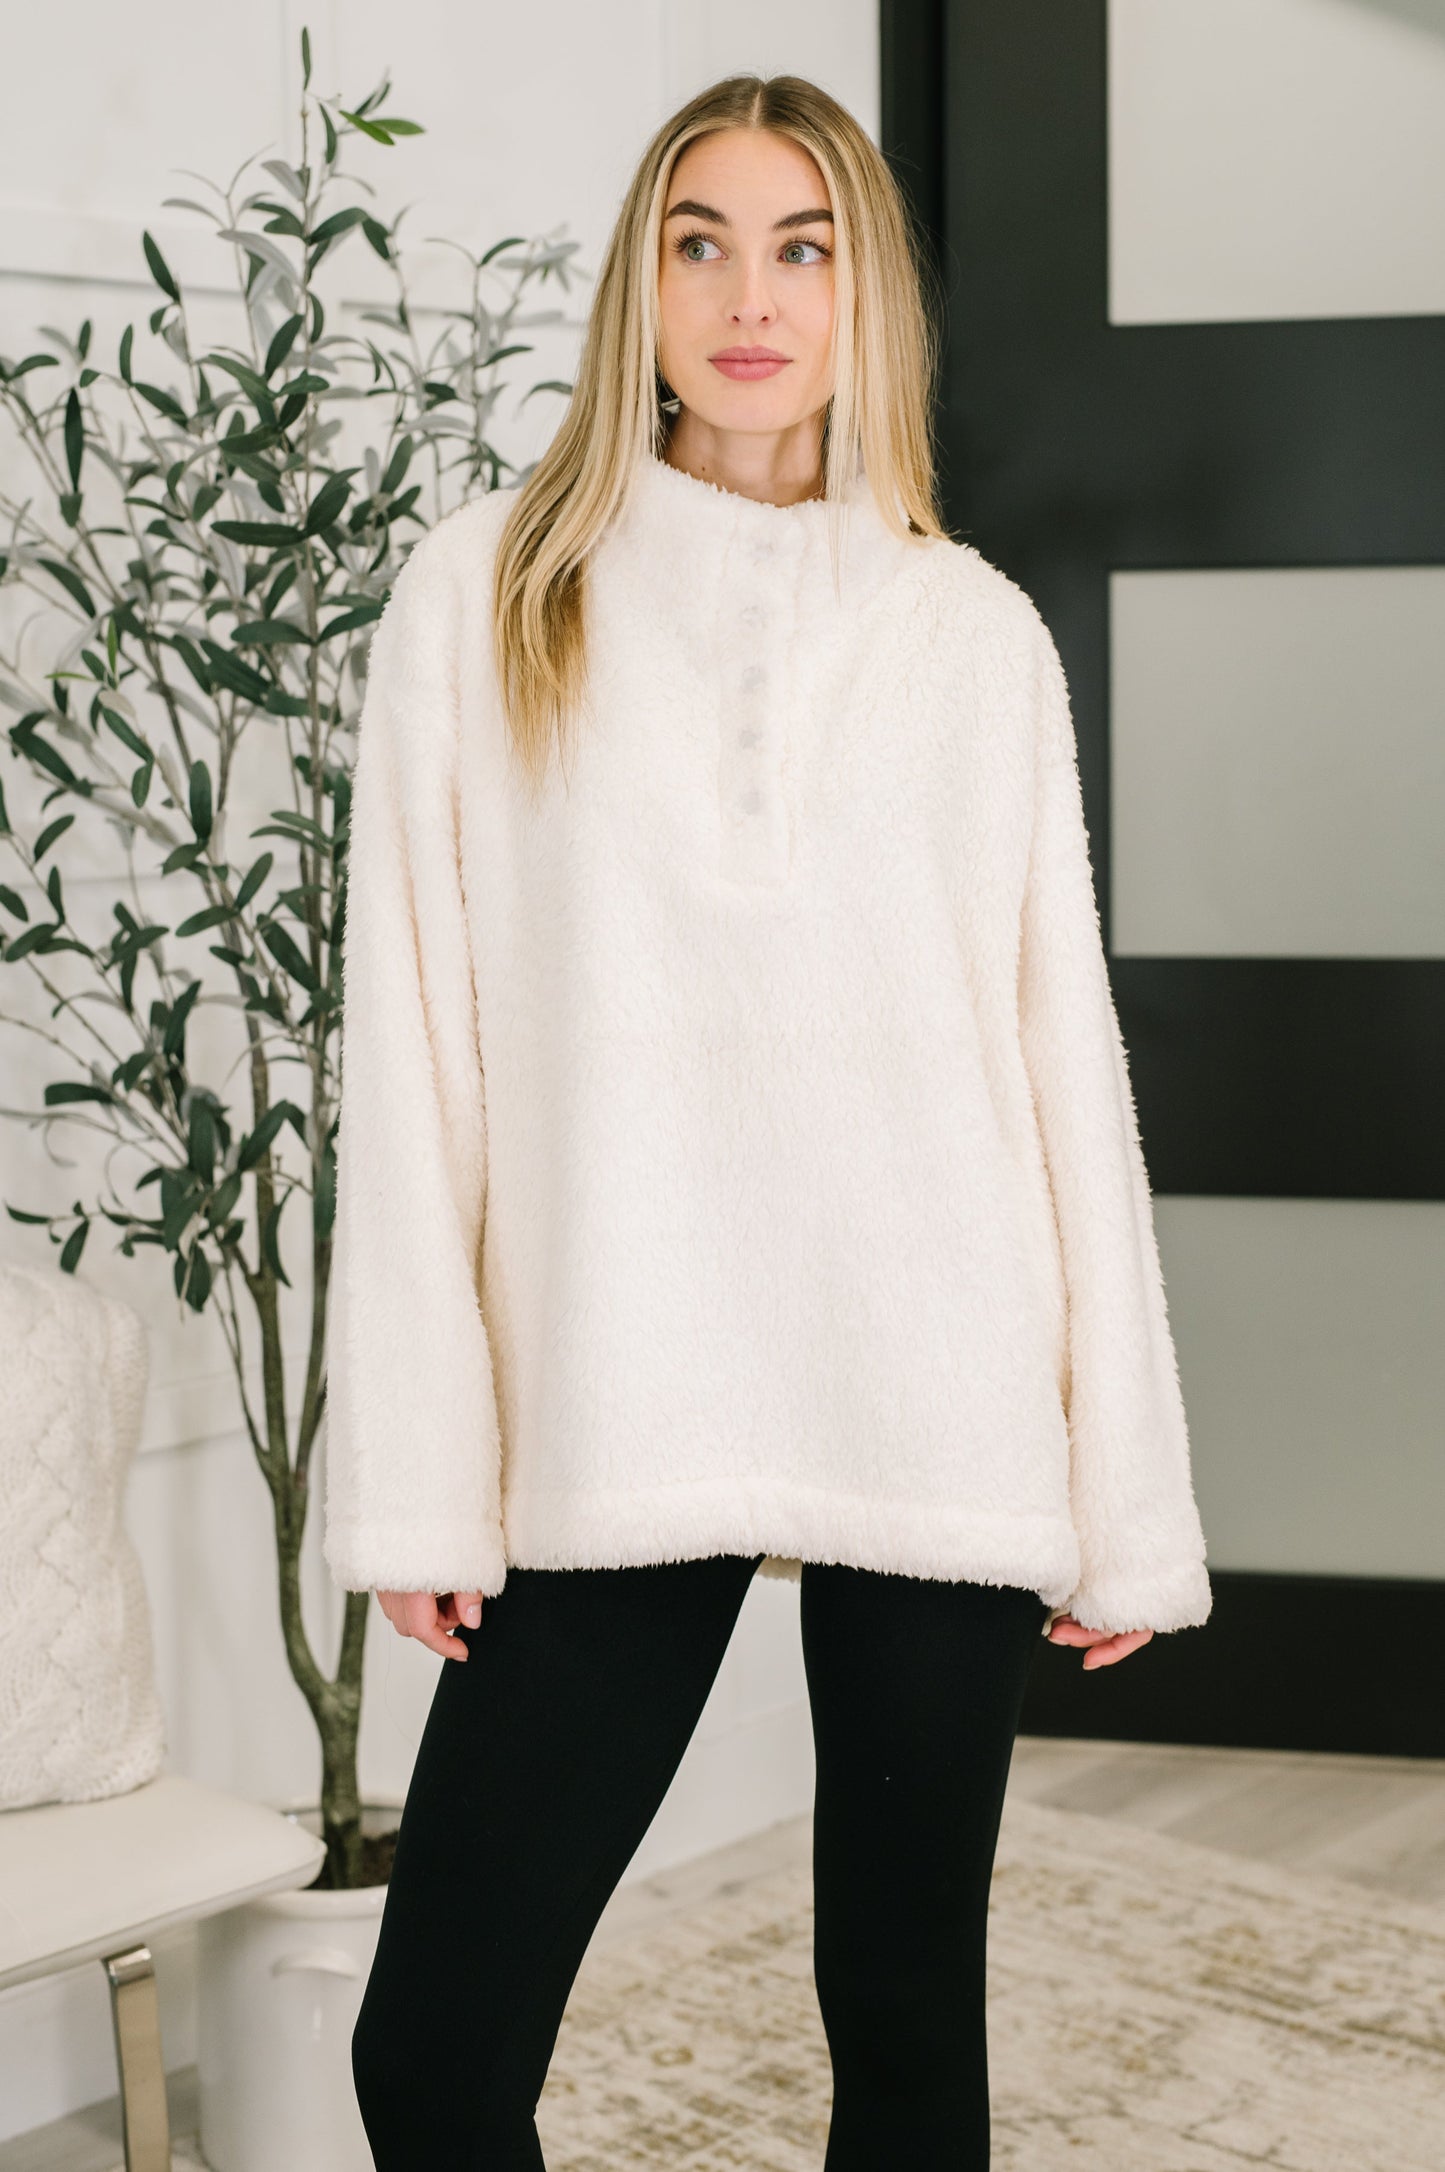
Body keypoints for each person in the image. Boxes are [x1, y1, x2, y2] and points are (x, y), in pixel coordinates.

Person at [325, 71, 1212, 2170]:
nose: (749, 295)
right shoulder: (489, 596)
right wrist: (426, 1482)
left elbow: (1054, 1064)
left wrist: (1121, 1481)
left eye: (801, 245)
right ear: (640, 286)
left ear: (863, 295)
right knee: (431, 2058)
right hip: (624, 1392)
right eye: (699, 243)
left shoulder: (969, 635)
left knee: (906, 2033)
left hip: (938, 1391)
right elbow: (422, 1058)